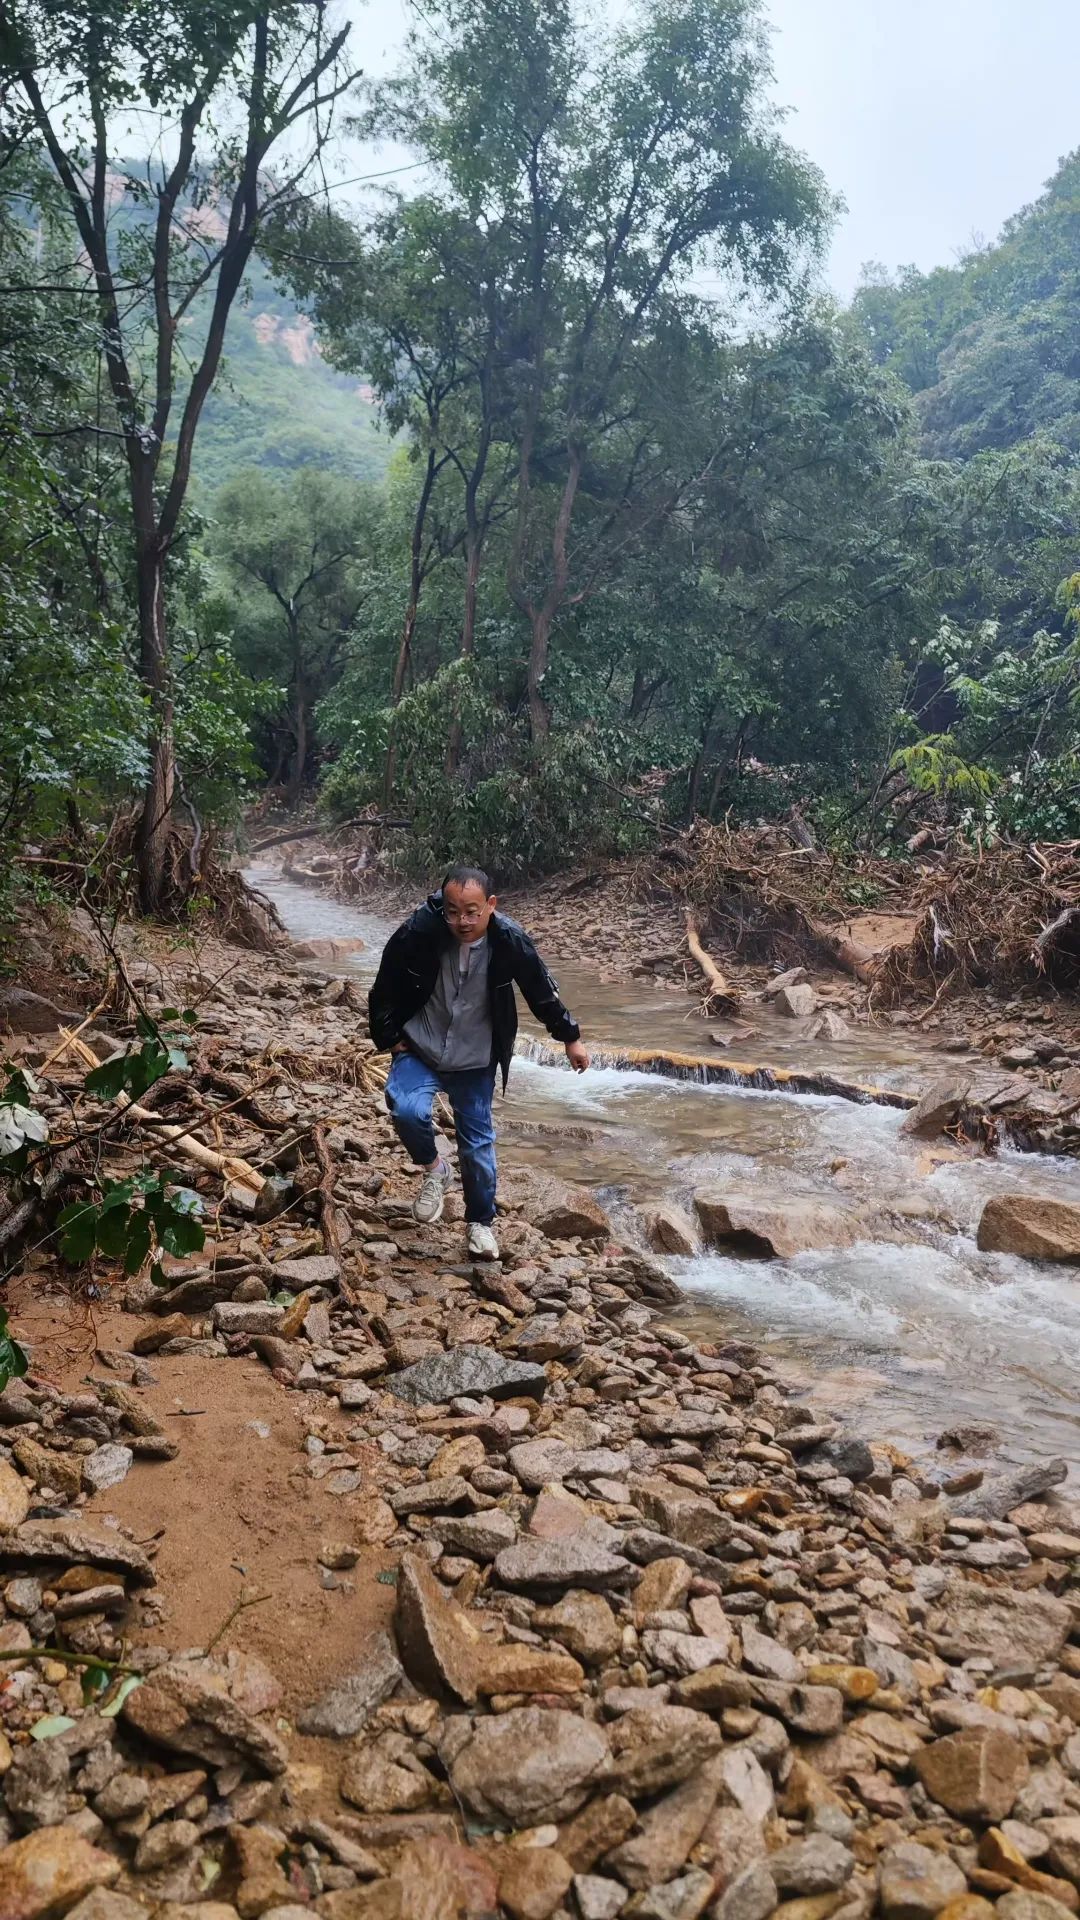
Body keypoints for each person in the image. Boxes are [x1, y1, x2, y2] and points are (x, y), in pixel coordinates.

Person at [368, 865, 589, 1260]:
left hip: (475, 1057)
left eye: (471, 912)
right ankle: (436, 1170)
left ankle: (480, 1224)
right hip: (421, 1047)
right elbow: (384, 984)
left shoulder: (509, 941)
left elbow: (541, 992)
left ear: (490, 905)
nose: (462, 922)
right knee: (405, 1108)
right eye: (452, 911)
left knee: (477, 1148)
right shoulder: (419, 931)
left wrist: (570, 1038)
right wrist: (391, 1038)